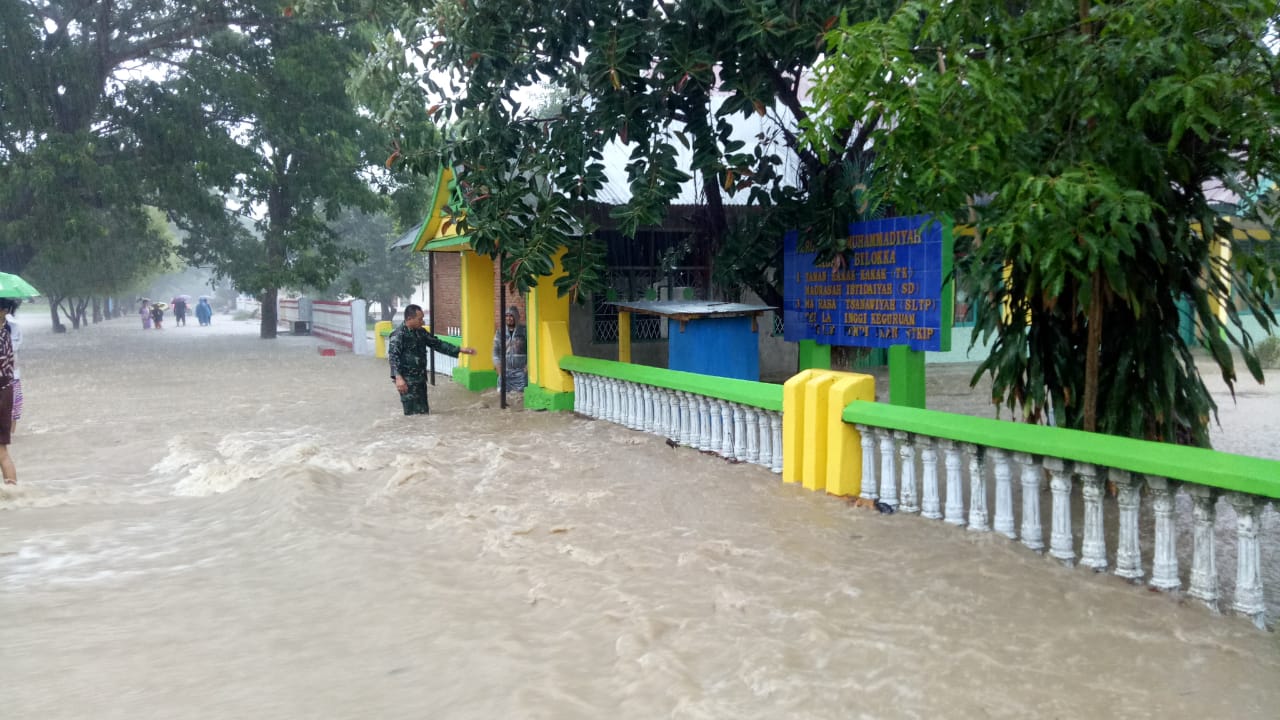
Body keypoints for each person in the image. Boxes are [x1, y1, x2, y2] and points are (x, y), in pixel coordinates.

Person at [388, 304, 476, 415]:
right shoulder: (398, 335)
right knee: (411, 417)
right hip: (407, 382)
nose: (423, 322)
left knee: (424, 413)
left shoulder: (421, 332)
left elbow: (438, 344)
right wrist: (398, 378)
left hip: (420, 379)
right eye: (420, 319)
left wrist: (461, 349)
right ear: (409, 319)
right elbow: (393, 357)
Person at [0, 298, 20, 484]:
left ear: (3, 311)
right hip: (6, 393)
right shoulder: (6, 333)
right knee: (2, 451)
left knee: (2, 452)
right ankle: (15, 497)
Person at [492, 305, 528, 393]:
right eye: (507, 316)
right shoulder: (500, 333)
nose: (509, 318)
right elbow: (495, 353)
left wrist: (526, 368)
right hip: (505, 374)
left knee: (519, 397)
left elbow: (532, 351)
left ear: (516, 317)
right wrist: (500, 373)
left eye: (511, 315)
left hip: (521, 374)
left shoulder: (524, 331)